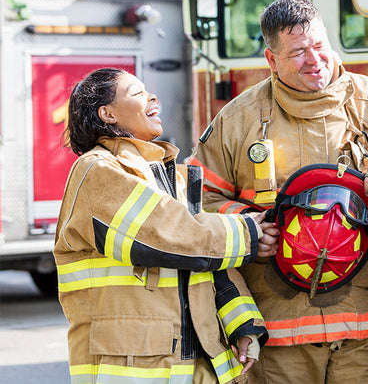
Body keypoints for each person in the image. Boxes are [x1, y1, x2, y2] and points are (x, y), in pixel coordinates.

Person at [189, 0, 368, 384]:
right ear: (271, 60)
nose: (314, 60)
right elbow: (199, 201)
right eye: (298, 52)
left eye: (319, 45)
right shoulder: (238, 121)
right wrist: (250, 228)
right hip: (281, 331)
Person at [54, 68, 280, 384]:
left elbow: (210, 261)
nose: (152, 97)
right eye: (136, 93)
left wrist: (242, 326)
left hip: (196, 363)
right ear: (107, 113)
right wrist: (248, 234)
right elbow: (165, 236)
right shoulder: (97, 171)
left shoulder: (173, 177)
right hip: (135, 369)